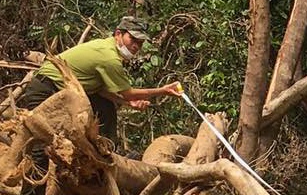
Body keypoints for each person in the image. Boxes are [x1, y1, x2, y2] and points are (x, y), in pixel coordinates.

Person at [13, 15, 182, 142]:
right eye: (133, 39)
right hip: (46, 88)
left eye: (140, 42)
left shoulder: (108, 47)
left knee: (105, 108)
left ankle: (106, 153)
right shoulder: (109, 57)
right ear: (118, 34)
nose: (136, 45)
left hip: (66, 92)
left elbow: (100, 90)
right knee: (41, 141)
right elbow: (128, 93)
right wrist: (163, 91)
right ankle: (32, 179)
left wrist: (126, 103)